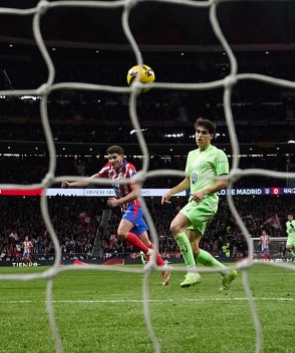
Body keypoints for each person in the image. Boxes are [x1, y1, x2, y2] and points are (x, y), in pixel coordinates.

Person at [63, 145, 170, 286]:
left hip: (135, 206)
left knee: (121, 232)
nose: (112, 160)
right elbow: (92, 179)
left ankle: (148, 253)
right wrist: (71, 185)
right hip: (126, 208)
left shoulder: (130, 169)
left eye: (115, 157)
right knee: (146, 241)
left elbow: (136, 192)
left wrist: (118, 201)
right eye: (110, 158)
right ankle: (164, 269)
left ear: (122, 157)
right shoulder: (109, 168)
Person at [161, 117, 237, 289]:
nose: (199, 135)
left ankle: (192, 273)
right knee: (193, 248)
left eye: (204, 133)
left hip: (207, 202)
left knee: (175, 227)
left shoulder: (218, 154)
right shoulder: (192, 155)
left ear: (211, 136)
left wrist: (204, 191)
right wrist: (171, 192)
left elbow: (224, 181)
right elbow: (188, 181)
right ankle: (227, 272)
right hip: (194, 202)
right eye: (197, 132)